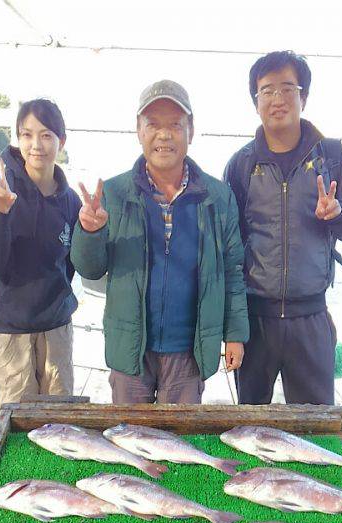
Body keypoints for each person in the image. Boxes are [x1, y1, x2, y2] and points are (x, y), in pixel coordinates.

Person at [70, 79, 249, 404]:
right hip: (130, 351)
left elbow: (234, 270)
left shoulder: (218, 197)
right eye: (153, 124)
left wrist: (234, 334)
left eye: (175, 125)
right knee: (131, 441)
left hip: (189, 351)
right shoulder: (112, 193)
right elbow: (89, 269)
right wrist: (89, 231)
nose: (164, 135)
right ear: (139, 130)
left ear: (190, 132)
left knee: (179, 446)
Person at [224, 51, 342, 405]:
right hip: (255, 320)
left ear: (303, 97)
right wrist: (230, 325)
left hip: (311, 318)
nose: (278, 100)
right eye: (267, 91)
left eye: (287, 89)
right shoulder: (241, 165)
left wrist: (338, 214)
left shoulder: (332, 157)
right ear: (255, 102)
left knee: (316, 425)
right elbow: (226, 249)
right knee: (250, 425)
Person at [0, 98, 81, 409]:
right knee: (16, 424)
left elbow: (69, 267)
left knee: (62, 421)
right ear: (18, 139)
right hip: (7, 329)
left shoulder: (71, 201)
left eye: (46, 135)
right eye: (26, 134)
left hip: (56, 325)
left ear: (61, 140)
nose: (36, 145)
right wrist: (2, 212)